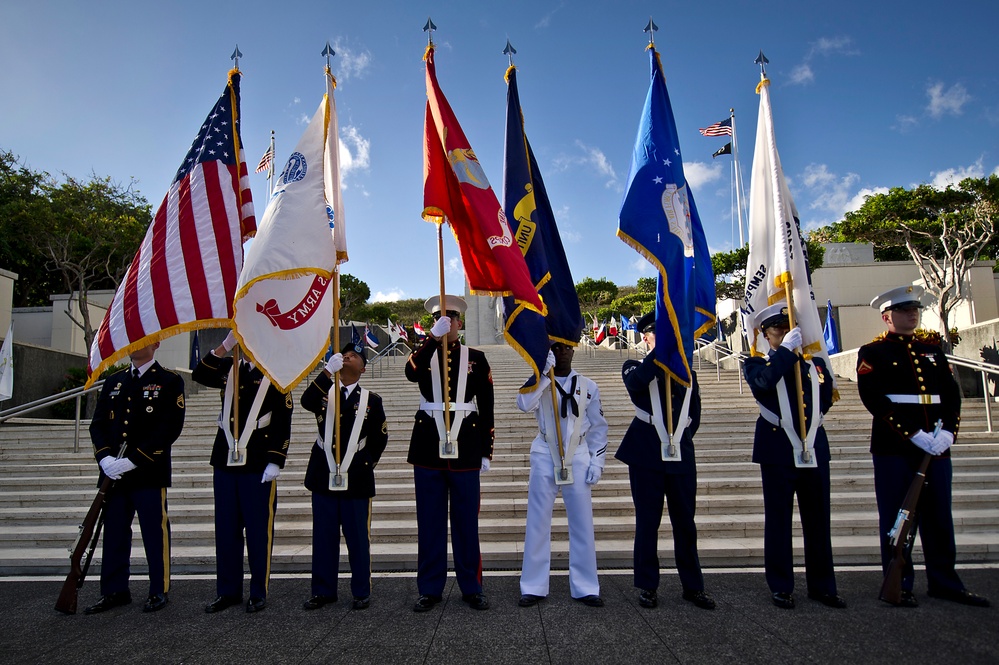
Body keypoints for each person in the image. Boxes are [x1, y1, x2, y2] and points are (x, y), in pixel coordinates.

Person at [858, 285, 989, 607]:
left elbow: (951, 394)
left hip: (936, 443)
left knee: (939, 515)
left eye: (914, 309)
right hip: (895, 445)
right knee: (897, 518)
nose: (912, 314)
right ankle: (899, 582)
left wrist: (949, 434)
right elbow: (874, 398)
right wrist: (913, 433)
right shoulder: (873, 353)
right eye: (904, 310)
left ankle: (944, 581)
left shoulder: (931, 350)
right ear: (887, 317)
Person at [743, 303, 845, 610]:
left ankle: (823, 585)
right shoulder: (757, 363)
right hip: (777, 448)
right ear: (766, 335)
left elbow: (824, 401)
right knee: (778, 521)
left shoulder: (815, 365)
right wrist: (786, 352)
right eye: (779, 329)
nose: (787, 333)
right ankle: (781, 585)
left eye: (791, 328)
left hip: (813, 447)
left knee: (818, 521)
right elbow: (764, 384)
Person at [616, 312, 715, 610]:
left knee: (685, 523)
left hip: (680, 453)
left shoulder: (687, 372)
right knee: (648, 522)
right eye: (655, 334)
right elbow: (636, 384)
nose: (660, 338)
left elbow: (693, 416)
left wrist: (678, 439)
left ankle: (693, 586)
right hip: (646, 452)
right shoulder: (634, 365)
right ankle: (647, 585)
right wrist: (660, 352)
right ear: (646, 338)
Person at [192, 330, 293, 614]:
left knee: (259, 532)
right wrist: (224, 346)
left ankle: (258, 591)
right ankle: (228, 591)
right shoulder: (228, 367)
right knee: (226, 531)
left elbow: (283, 421)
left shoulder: (276, 375)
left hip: (258, 463)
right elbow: (199, 375)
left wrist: (276, 460)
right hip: (225, 460)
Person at [405, 295, 494, 612]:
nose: (446, 323)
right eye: (438, 319)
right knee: (429, 523)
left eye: (451, 319)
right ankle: (429, 588)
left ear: (460, 322)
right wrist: (431, 339)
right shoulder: (425, 352)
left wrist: (486, 450)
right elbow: (411, 373)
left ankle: (472, 586)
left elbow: (487, 406)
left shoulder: (477, 358)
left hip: (466, 447)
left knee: (466, 523)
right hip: (428, 447)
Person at [84, 341, 186, 614]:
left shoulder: (169, 381)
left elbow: (170, 427)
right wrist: (105, 458)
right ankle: (114, 590)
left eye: (141, 339)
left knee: (155, 532)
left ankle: (158, 589)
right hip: (114, 475)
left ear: (155, 343)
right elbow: (98, 424)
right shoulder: (114, 381)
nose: (133, 345)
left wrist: (134, 460)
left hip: (149, 471)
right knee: (115, 533)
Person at [517, 342, 608, 608]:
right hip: (546, 453)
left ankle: (586, 586)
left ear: (574, 351)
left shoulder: (588, 385)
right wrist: (542, 376)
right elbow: (523, 404)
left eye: (567, 348)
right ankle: (533, 585)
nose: (563, 352)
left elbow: (599, 427)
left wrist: (597, 461)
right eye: (556, 348)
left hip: (577, 455)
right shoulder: (542, 381)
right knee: (537, 522)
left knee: (582, 523)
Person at [300, 341, 387, 611]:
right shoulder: (325, 392)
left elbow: (379, 438)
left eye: (352, 357)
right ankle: (323, 591)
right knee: (323, 538)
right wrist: (327, 372)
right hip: (324, 474)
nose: (346, 357)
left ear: (362, 368)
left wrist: (365, 463)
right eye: (343, 355)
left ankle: (361, 590)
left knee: (358, 538)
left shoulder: (371, 400)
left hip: (356, 478)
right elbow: (306, 402)